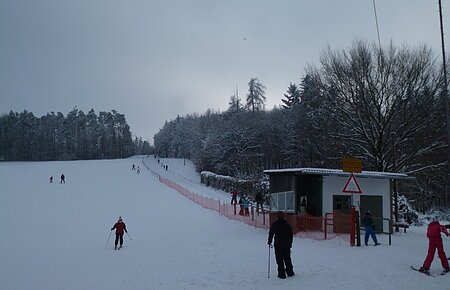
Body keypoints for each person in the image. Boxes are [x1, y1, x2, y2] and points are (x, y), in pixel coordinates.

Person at [268, 211, 294, 279]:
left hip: (278, 244)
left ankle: (281, 273)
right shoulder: (287, 224)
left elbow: (271, 233)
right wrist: (290, 243)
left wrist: (269, 241)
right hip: (286, 244)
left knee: (279, 259)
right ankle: (290, 272)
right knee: (287, 258)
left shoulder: (275, 224)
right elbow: (291, 234)